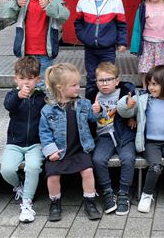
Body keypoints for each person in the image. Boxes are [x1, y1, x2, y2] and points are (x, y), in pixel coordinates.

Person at [117, 65, 164, 213]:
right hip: (150, 142)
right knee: (155, 167)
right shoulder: (142, 98)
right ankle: (146, 195)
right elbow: (124, 112)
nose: (150, 87)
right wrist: (126, 105)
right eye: (149, 83)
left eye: (155, 84)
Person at [39, 63, 101, 221]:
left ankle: (90, 201)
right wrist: (50, 151)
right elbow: (44, 133)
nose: (78, 88)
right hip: (59, 152)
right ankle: (55, 202)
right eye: (73, 85)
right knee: (53, 176)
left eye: (78, 84)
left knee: (88, 172)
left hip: (80, 149)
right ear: (60, 88)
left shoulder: (83, 103)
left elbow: (94, 120)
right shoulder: (48, 110)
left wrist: (98, 111)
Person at [86, 62, 137, 216]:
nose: (105, 83)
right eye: (101, 80)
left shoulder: (125, 92)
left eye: (109, 79)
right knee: (98, 159)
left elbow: (135, 108)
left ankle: (123, 194)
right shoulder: (93, 95)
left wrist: (132, 115)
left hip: (124, 135)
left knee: (128, 158)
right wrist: (95, 112)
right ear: (96, 82)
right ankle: (108, 193)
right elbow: (89, 120)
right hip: (104, 135)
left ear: (117, 80)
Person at [0, 57, 46, 223]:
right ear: (16, 79)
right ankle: (19, 185)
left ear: (37, 79)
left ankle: (27, 202)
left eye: (30, 78)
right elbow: (9, 106)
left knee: (33, 167)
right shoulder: (12, 95)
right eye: (22, 78)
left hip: (35, 143)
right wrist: (19, 96)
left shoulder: (42, 97)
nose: (26, 82)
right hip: (14, 142)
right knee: (6, 170)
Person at [4, 0, 70, 81]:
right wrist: (16, 4)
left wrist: (49, 5)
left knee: (45, 85)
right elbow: (6, 15)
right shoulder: (23, 2)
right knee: (27, 84)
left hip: (45, 53)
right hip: (26, 53)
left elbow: (65, 15)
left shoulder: (54, 1)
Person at [75, 0, 128, 93]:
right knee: (92, 76)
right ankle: (91, 103)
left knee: (108, 76)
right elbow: (78, 23)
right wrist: (84, 37)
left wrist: (121, 42)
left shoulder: (116, 2)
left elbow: (121, 25)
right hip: (90, 49)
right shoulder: (83, 2)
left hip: (108, 48)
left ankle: (108, 103)